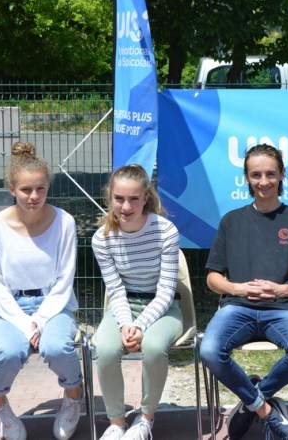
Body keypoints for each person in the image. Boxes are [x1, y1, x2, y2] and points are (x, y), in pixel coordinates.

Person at [199, 143, 288, 440]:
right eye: (256, 175)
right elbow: (212, 278)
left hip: (285, 310)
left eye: (270, 174)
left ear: (282, 175)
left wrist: (283, 290)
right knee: (209, 350)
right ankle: (267, 412)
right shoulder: (231, 220)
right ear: (246, 177)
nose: (263, 181)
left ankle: (252, 399)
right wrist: (236, 287)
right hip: (236, 308)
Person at [0, 142, 84, 440]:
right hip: (9, 308)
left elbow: (64, 281)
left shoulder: (65, 222)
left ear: (48, 187)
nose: (34, 196)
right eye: (26, 190)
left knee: (56, 348)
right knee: (8, 351)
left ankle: (74, 396)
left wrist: (39, 320)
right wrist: (24, 323)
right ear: (12, 189)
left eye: (41, 189)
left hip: (55, 304)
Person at [92, 164, 183, 440]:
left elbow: (166, 290)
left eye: (134, 198)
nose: (126, 206)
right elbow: (115, 289)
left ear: (146, 197)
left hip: (164, 307)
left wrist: (141, 325)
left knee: (154, 348)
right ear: (110, 198)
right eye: (119, 198)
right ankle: (116, 423)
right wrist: (125, 325)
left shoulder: (166, 231)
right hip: (123, 307)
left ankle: (145, 419)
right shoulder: (102, 239)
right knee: (105, 349)